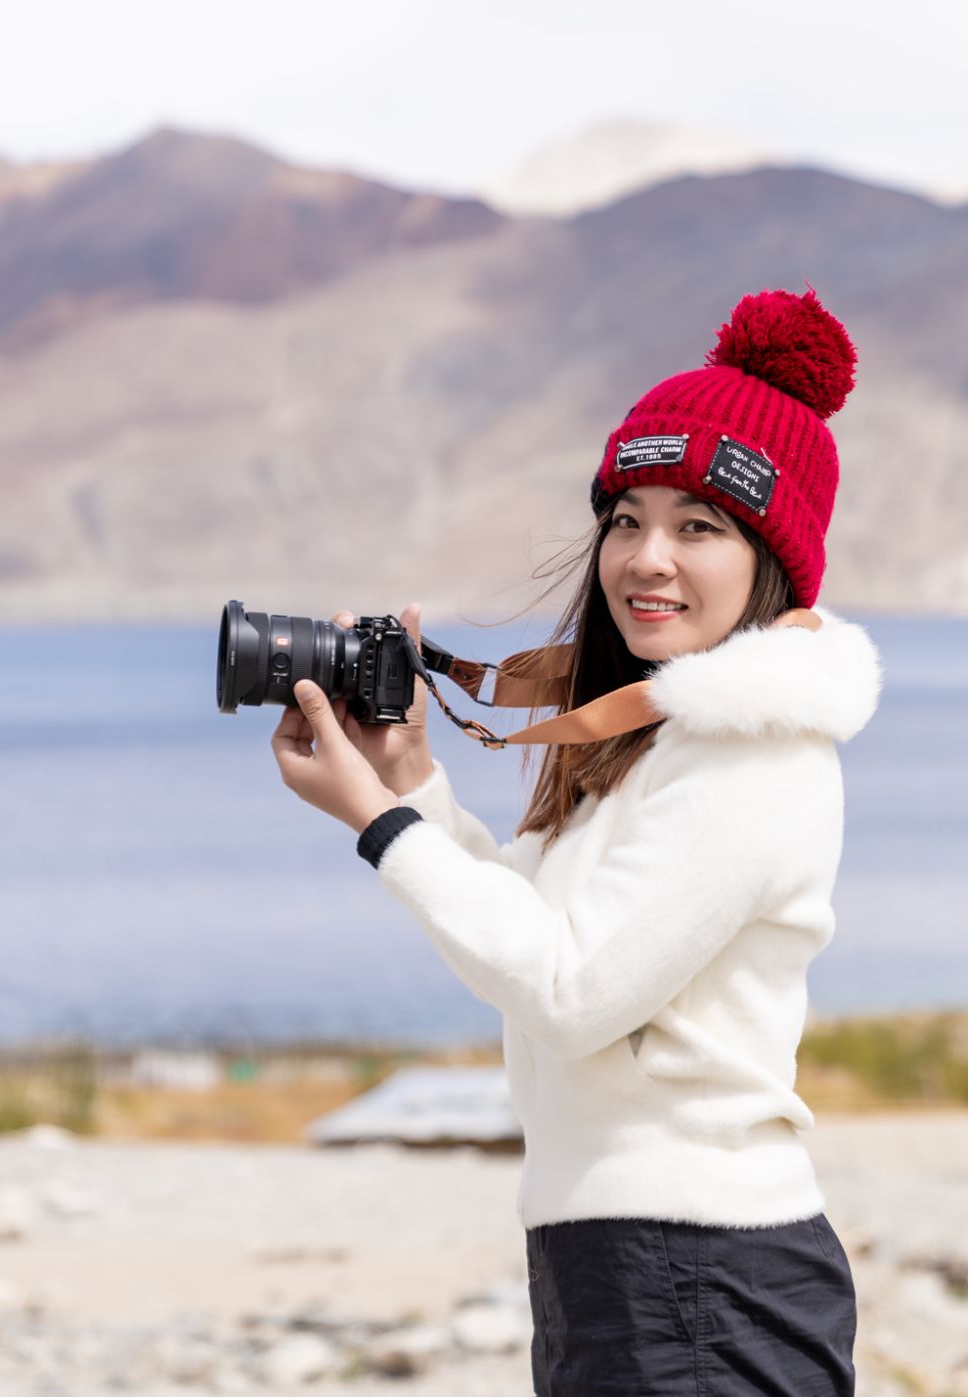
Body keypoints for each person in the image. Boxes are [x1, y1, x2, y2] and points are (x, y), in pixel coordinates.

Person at [271, 286, 881, 1395]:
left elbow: (565, 987)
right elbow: (537, 937)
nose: (647, 556)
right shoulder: (662, 736)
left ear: (770, 559)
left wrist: (378, 823)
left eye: (698, 526)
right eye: (627, 516)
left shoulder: (756, 755)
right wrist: (408, 778)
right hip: (621, 1265)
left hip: (697, 1277)